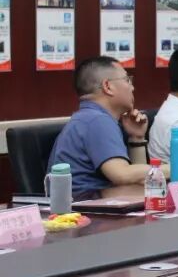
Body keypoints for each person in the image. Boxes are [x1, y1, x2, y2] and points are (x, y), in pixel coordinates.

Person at [48, 56, 167, 197]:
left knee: (155, 192)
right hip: (83, 205)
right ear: (108, 86)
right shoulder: (96, 120)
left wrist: (137, 138)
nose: (132, 87)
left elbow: (137, 180)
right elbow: (122, 175)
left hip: (94, 200)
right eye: (127, 80)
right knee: (162, 192)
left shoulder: (90, 117)